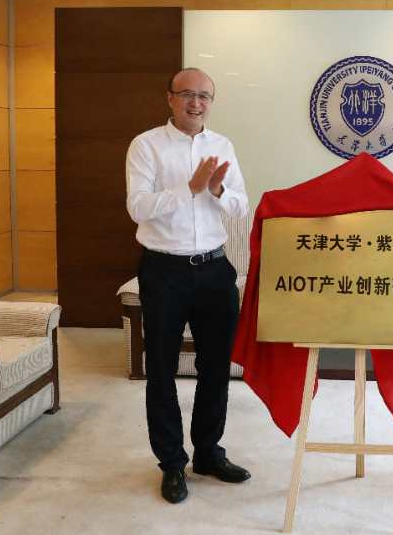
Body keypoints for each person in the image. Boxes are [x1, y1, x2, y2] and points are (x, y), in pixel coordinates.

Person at [126, 67, 250, 504]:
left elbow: (241, 206)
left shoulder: (223, 146)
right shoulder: (146, 145)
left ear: (211, 102)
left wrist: (216, 191)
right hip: (164, 271)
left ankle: (208, 453)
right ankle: (172, 463)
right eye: (187, 95)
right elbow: (138, 207)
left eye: (204, 96)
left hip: (214, 270)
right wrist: (190, 188)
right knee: (161, 369)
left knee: (216, 368)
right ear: (170, 98)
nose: (196, 103)